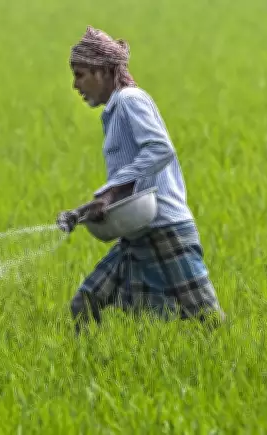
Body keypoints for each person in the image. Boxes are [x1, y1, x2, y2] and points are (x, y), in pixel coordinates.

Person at [57, 26, 226, 334]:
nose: (75, 85)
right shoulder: (114, 111)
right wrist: (81, 213)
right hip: (136, 231)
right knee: (85, 303)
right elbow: (129, 182)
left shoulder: (130, 101)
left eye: (81, 75)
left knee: (208, 319)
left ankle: (233, 365)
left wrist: (107, 196)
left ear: (103, 71)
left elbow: (160, 149)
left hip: (165, 229)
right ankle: (91, 368)